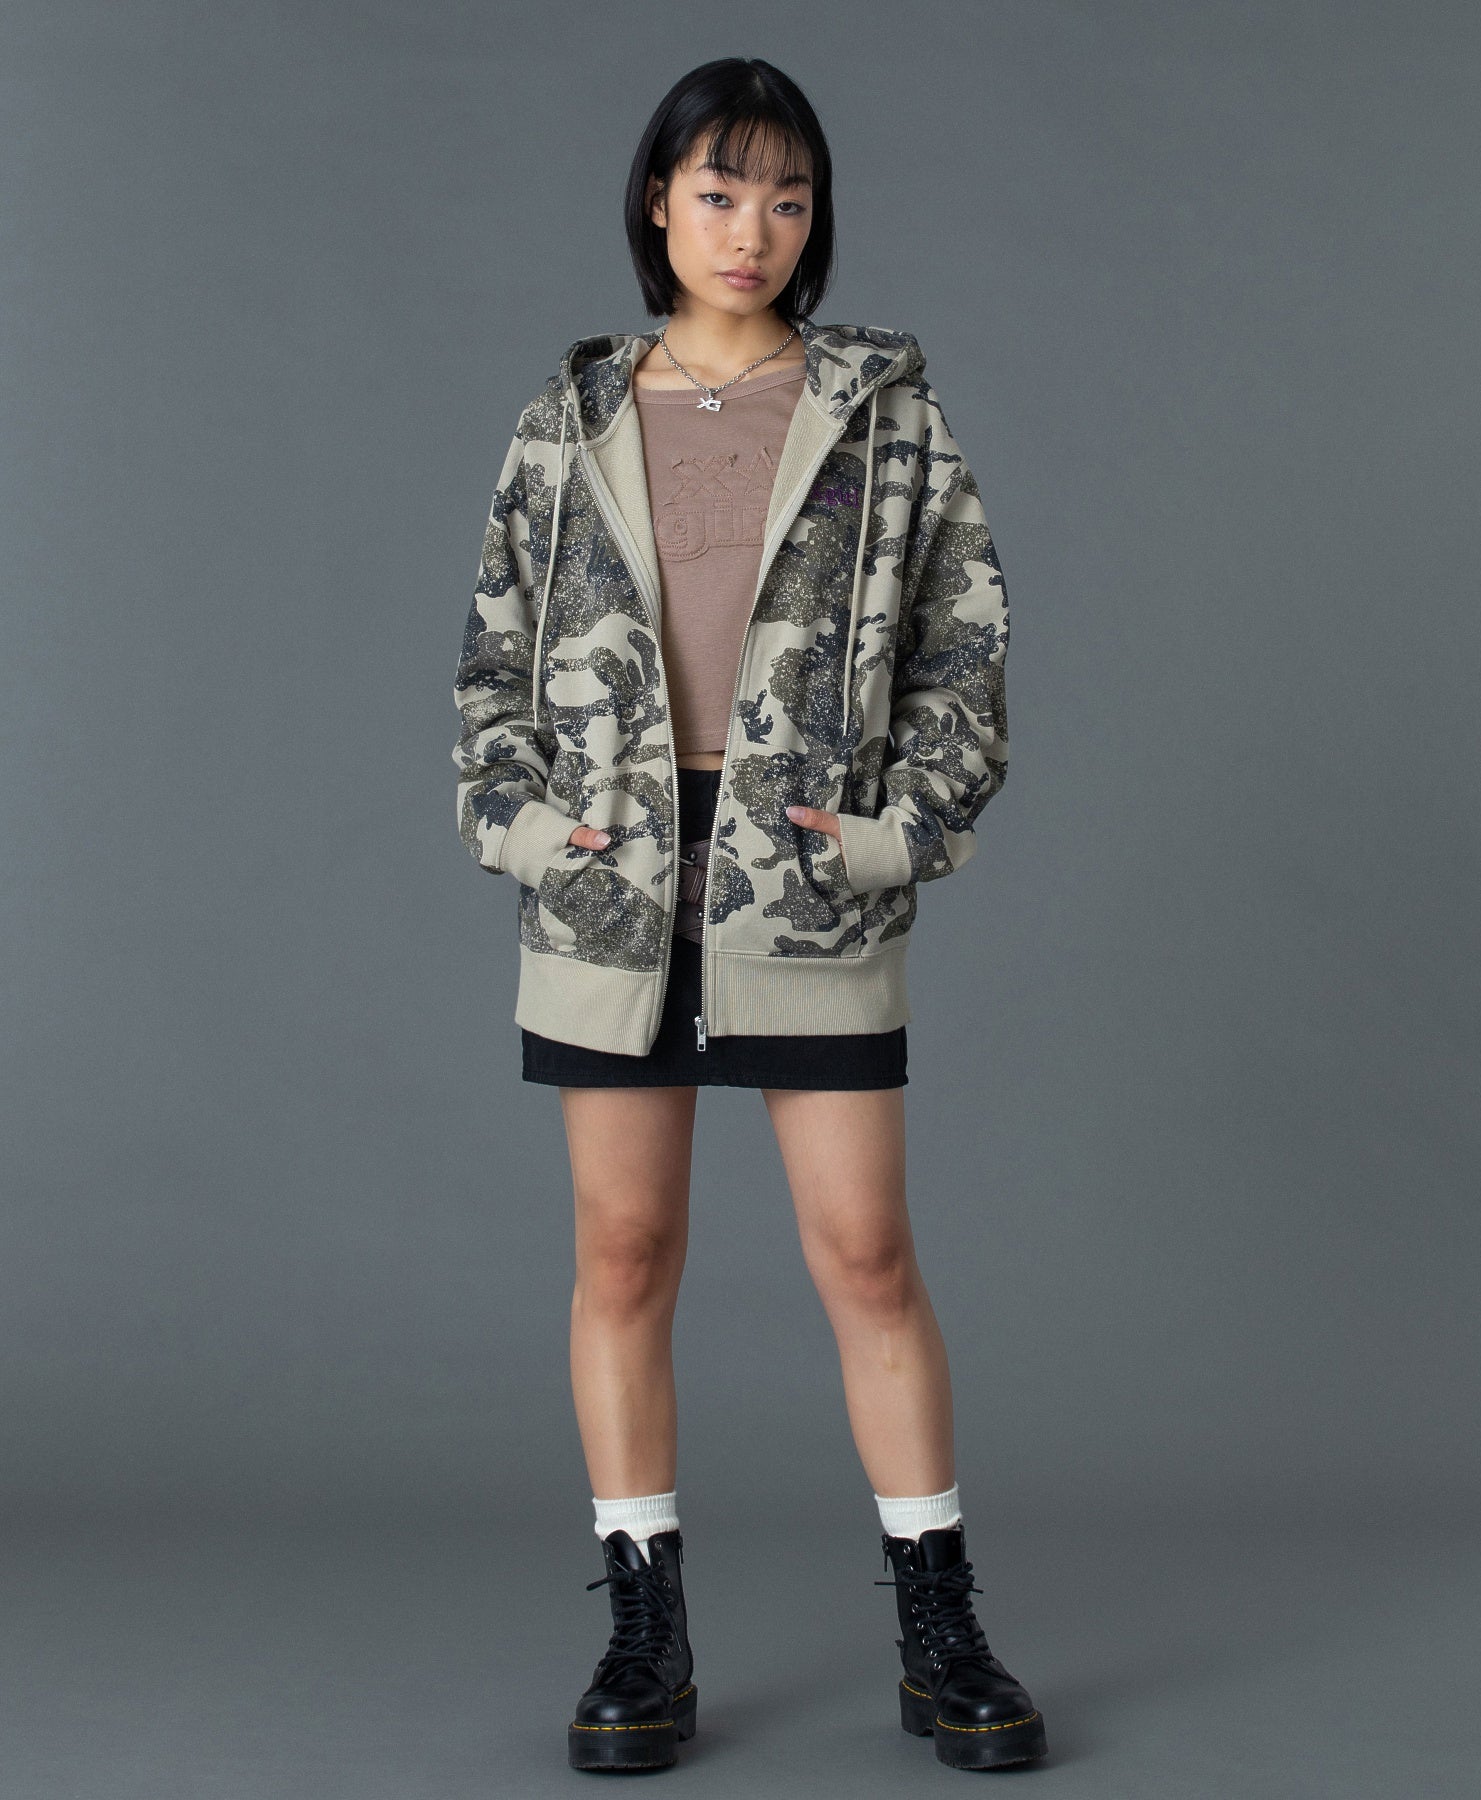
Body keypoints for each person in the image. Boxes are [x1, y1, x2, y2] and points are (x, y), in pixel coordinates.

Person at [451, 56, 1047, 1774]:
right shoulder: (566, 419)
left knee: (866, 1255)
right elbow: (493, 664)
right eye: (719, 192)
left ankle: (941, 1626)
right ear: (659, 203)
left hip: (805, 872)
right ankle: (645, 1630)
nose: (752, 229)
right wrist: (528, 832)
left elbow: (966, 650)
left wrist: (895, 838)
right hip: (614, 884)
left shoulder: (882, 413)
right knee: (625, 1256)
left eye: (787, 198)